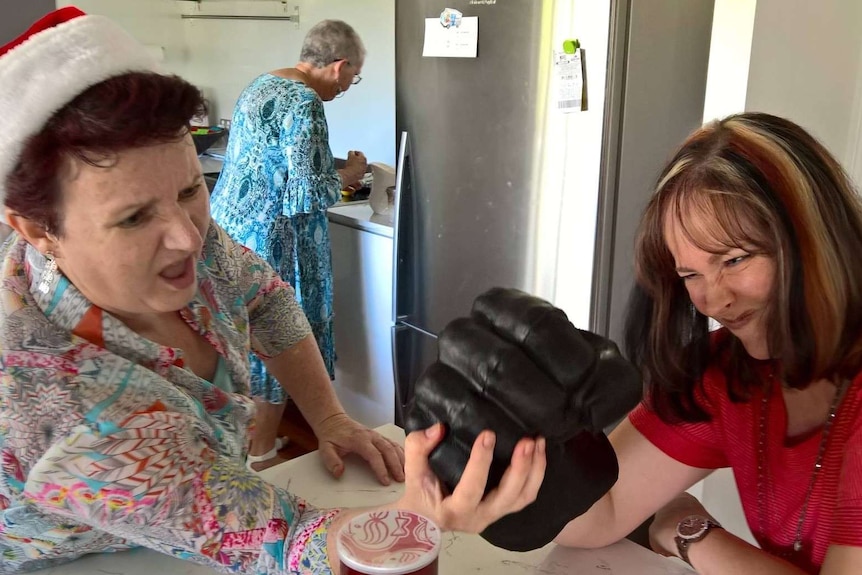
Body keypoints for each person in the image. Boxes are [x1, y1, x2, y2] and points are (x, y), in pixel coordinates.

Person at [0, 8, 546, 573]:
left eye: (190, 189)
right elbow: (280, 542)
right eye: (134, 218)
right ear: (38, 230)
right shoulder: (62, 405)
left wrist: (329, 418)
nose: (188, 239)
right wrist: (420, 520)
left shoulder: (195, 237)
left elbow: (265, 299)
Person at [548, 113, 862, 574]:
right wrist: (535, 434)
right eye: (690, 275)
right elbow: (599, 510)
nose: (714, 300)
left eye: (735, 260)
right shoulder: (726, 374)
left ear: (814, 239)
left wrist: (690, 529)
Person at [210, 19, 369, 470]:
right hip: (275, 240)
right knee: (279, 336)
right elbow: (306, 194)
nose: (346, 87)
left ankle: (245, 444)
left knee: (245, 338)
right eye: (352, 79)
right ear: (339, 67)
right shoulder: (305, 102)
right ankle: (261, 455)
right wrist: (351, 175)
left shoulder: (264, 83)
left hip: (232, 231)